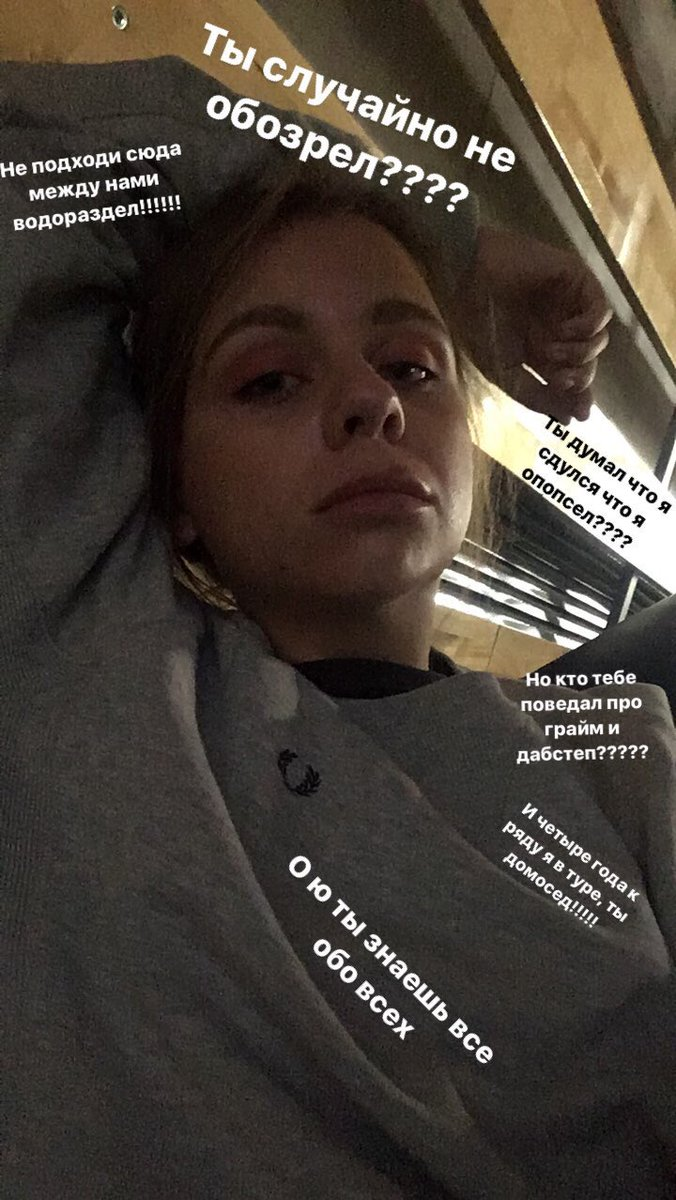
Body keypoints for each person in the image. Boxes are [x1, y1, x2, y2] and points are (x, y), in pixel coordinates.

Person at [3, 57, 674, 1200]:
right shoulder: (84, 660)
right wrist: (451, 240)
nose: (373, 402)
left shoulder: (619, 742)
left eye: (410, 362)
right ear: (176, 491)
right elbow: (26, 164)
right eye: (269, 380)